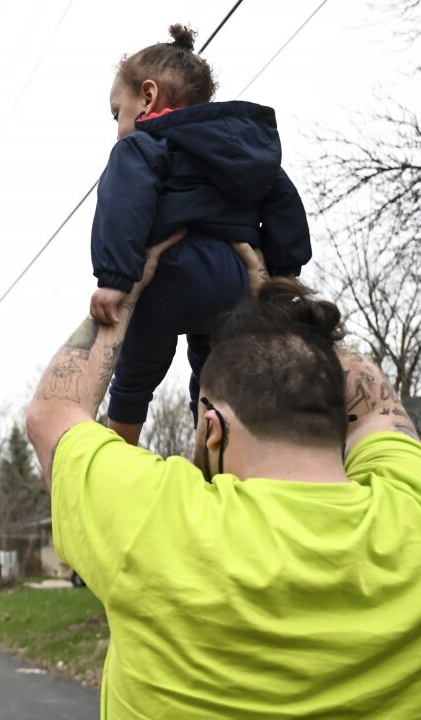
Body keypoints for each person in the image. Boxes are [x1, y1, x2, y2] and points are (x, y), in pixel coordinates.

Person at [25, 232, 421, 716]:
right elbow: (378, 404)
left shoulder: (156, 523)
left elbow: (53, 414)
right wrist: (279, 305)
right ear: (334, 417)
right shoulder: (409, 510)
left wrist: (123, 293)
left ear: (212, 427)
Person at [89, 24, 311, 447]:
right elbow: (283, 200)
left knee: (136, 373)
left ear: (148, 98)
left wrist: (115, 280)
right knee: (216, 374)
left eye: (117, 111)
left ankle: (120, 451)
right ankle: (212, 456)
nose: (118, 125)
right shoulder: (247, 152)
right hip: (236, 280)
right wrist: (282, 273)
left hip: (169, 274)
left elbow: (124, 204)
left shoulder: (142, 145)